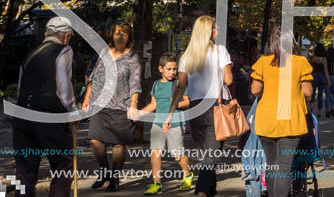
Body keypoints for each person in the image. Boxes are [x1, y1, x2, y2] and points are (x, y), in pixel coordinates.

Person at [162, 15, 232, 197]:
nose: (218, 30)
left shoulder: (186, 56)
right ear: (208, 31)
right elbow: (229, 80)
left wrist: (170, 114)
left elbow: (181, 86)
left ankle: (210, 191)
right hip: (216, 107)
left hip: (194, 109)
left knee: (207, 155)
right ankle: (201, 191)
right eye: (216, 27)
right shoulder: (220, 51)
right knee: (211, 156)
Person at [13, 17, 79, 197]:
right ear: (66, 36)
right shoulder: (63, 50)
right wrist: (73, 112)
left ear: (45, 34)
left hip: (22, 117)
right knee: (63, 167)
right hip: (49, 116)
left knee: (24, 174)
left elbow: (21, 87)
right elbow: (64, 87)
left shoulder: (30, 54)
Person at [250, 26, 314, 197]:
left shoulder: (263, 62)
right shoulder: (300, 63)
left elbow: (255, 90)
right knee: (284, 166)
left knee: (271, 165)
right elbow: (308, 92)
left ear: (272, 42)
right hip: (291, 120)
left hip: (267, 120)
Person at [82, 22, 142, 192]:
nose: (120, 36)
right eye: (117, 33)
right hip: (99, 104)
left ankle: (114, 179)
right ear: (112, 35)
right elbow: (93, 77)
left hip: (121, 105)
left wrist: (134, 104)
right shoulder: (104, 53)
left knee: (118, 143)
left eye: (123, 33)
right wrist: (87, 97)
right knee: (94, 139)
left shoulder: (132, 58)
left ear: (129, 37)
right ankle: (104, 171)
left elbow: (135, 83)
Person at [135, 53, 194, 194]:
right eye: (169, 69)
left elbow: (187, 102)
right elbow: (153, 105)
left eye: (174, 69)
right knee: (155, 152)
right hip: (158, 123)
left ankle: (187, 174)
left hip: (175, 123)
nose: (172, 72)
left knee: (176, 153)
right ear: (160, 69)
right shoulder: (156, 85)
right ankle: (157, 184)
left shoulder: (179, 84)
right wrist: (139, 114)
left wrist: (176, 103)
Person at [309, 43, 330, 116]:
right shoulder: (324, 59)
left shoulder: (313, 58)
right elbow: (326, 71)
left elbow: (309, 68)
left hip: (314, 76)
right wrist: (328, 81)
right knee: (320, 95)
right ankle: (319, 112)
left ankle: (311, 107)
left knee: (312, 93)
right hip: (322, 77)